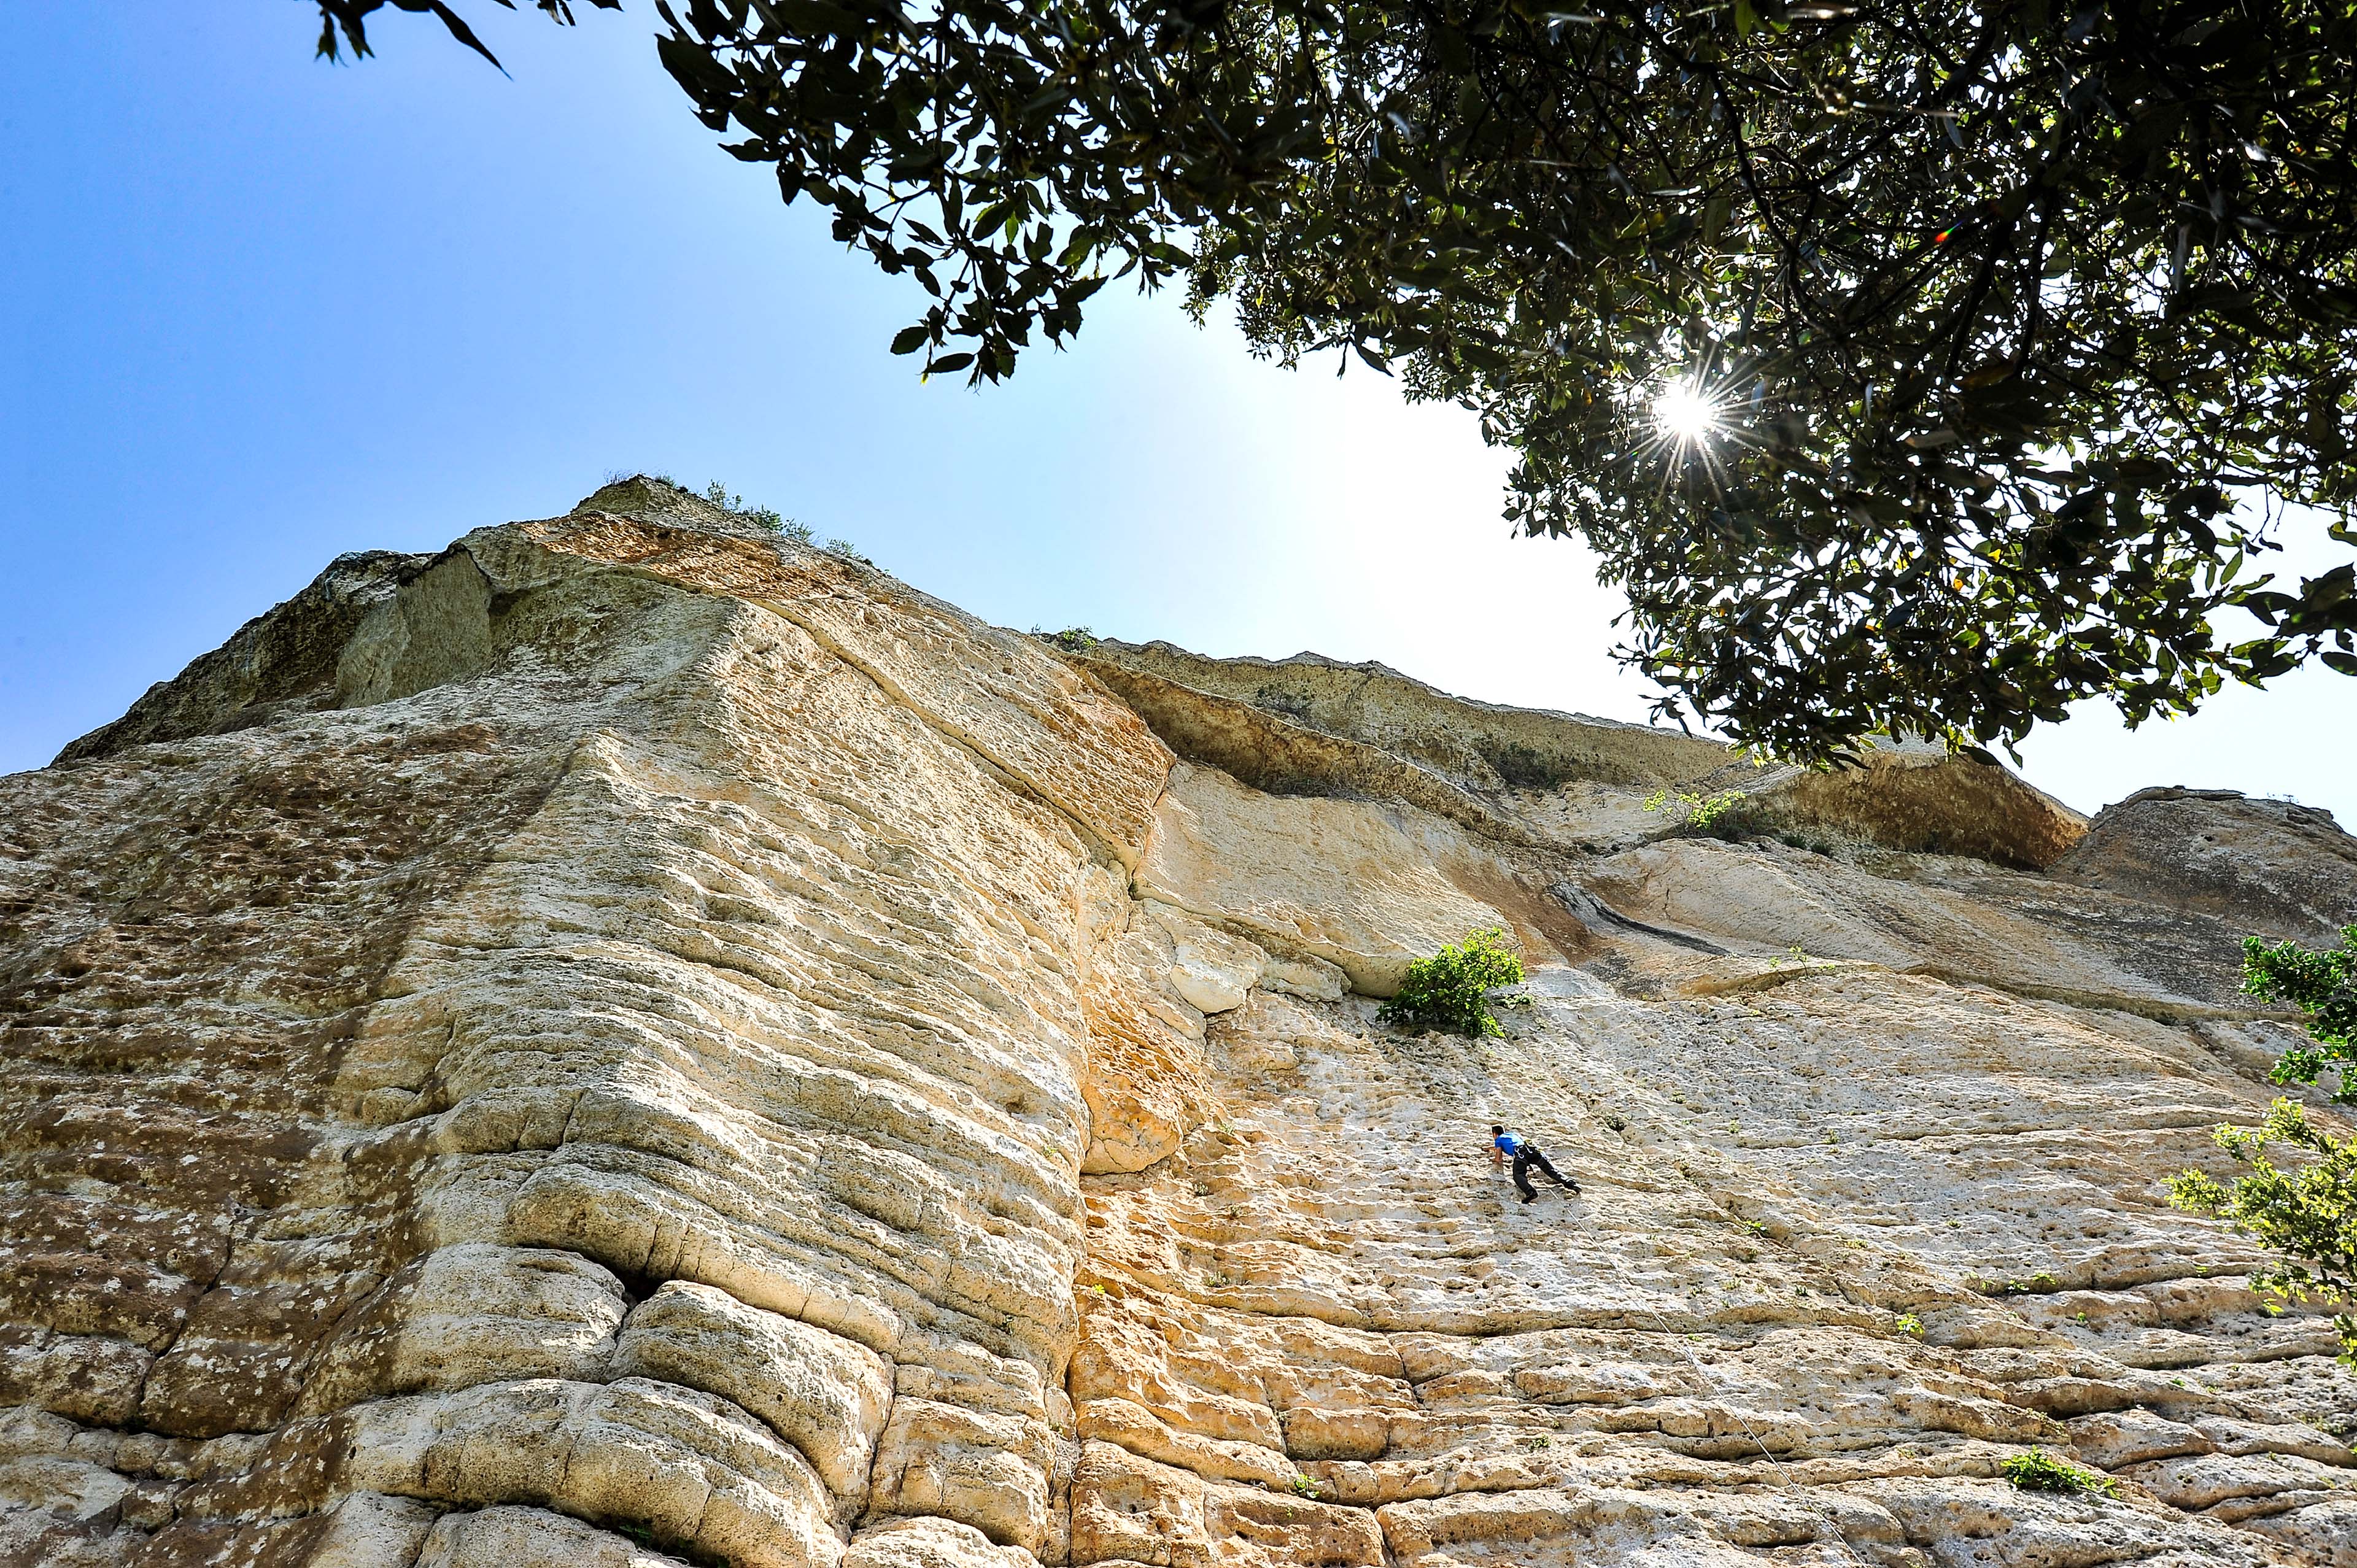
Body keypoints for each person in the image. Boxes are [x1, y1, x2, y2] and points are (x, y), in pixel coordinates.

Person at [1491, 1124, 1579, 1203]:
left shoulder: (1498, 1140)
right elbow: (1509, 1144)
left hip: (1521, 1154)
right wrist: (1489, 1148)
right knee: (1551, 1171)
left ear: (1494, 1134)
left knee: (1518, 1175)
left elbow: (1499, 1158)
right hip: (1533, 1151)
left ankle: (1531, 1192)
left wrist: (1494, 1160)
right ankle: (1571, 1184)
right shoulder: (1512, 1135)